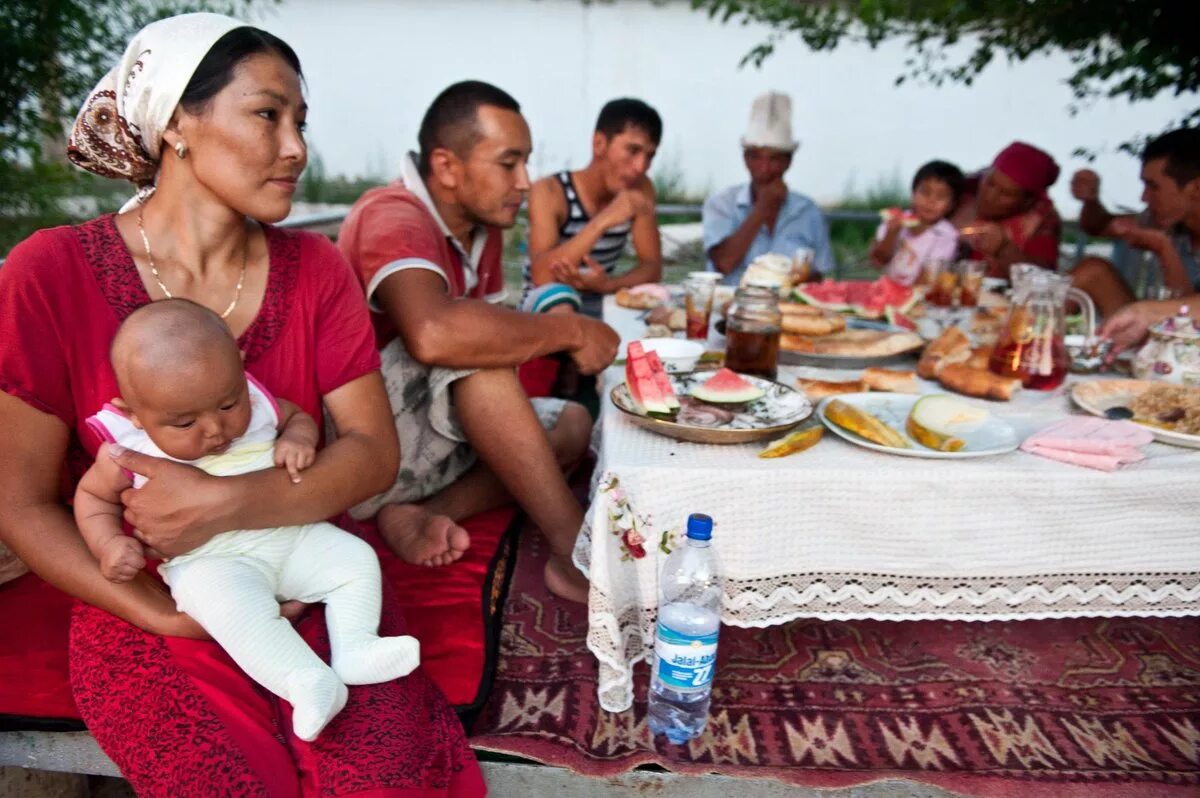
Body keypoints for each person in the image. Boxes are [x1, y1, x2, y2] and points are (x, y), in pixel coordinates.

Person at [0, 14, 483, 796]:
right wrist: (161, 615)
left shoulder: (316, 268)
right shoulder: (51, 272)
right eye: (268, 115)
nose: (295, 147)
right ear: (179, 124)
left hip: (306, 580)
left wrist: (225, 503)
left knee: (380, 779)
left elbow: (370, 454)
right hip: (152, 597)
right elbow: (19, 504)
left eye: (301, 122)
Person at [77, 300, 421, 743]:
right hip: (214, 563)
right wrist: (108, 544)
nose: (216, 429)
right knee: (231, 613)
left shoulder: (256, 403)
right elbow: (92, 498)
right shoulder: (124, 450)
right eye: (184, 423)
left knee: (354, 559)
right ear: (134, 415)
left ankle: (356, 646)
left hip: (292, 536)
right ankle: (307, 681)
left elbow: (296, 415)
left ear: (241, 370)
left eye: (227, 404)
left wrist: (299, 436)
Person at [338, 81, 619, 604]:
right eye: (509, 163)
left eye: (526, 163)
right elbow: (434, 334)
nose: (525, 182)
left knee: (574, 424)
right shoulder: (392, 216)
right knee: (471, 349)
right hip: (362, 450)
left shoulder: (480, 229)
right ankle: (571, 551)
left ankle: (427, 509)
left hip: (424, 444)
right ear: (446, 168)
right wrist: (571, 329)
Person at [524, 98, 663, 318]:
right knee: (559, 303)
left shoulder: (641, 189)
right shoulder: (550, 191)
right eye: (632, 150)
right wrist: (603, 221)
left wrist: (607, 285)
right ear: (599, 143)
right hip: (546, 306)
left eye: (650, 155)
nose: (641, 166)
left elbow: (652, 268)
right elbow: (541, 276)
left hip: (601, 302)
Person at [702, 91, 834, 286]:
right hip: (733, 309)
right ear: (745, 159)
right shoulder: (721, 204)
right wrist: (762, 209)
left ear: (788, 161)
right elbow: (724, 263)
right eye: (755, 157)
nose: (764, 169)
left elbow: (819, 277)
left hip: (788, 311)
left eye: (774, 159)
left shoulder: (808, 211)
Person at [1069, 128, 1200, 317]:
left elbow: (1188, 324)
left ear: (1196, 188)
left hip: (1186, 336)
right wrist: (1090, 200)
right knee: (1094, 271)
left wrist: (1165, 250)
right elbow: (1098, 226)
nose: (1144, 197)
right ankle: (1024, 333)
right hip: (1164, 331)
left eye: (1154, 187)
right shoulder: (1166, 220)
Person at [952, 141, 1063, 279]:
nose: (990, 196)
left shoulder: (1042, 220)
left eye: (1006, 194)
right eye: (990, 183)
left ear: (1027, 202)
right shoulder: (957, 191)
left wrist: (1004, 249)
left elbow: (1044, 279)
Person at [868, 160, 964, 286]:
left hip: (921, 297)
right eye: (925, 192)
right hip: (888, 292)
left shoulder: (946, 235)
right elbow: (878, 261)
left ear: (951, 205)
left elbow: (928, 277)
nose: (931, 201)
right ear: (913, 194)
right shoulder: (894, 222)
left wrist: (907, 299)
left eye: (940, 196)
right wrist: (891, 234)